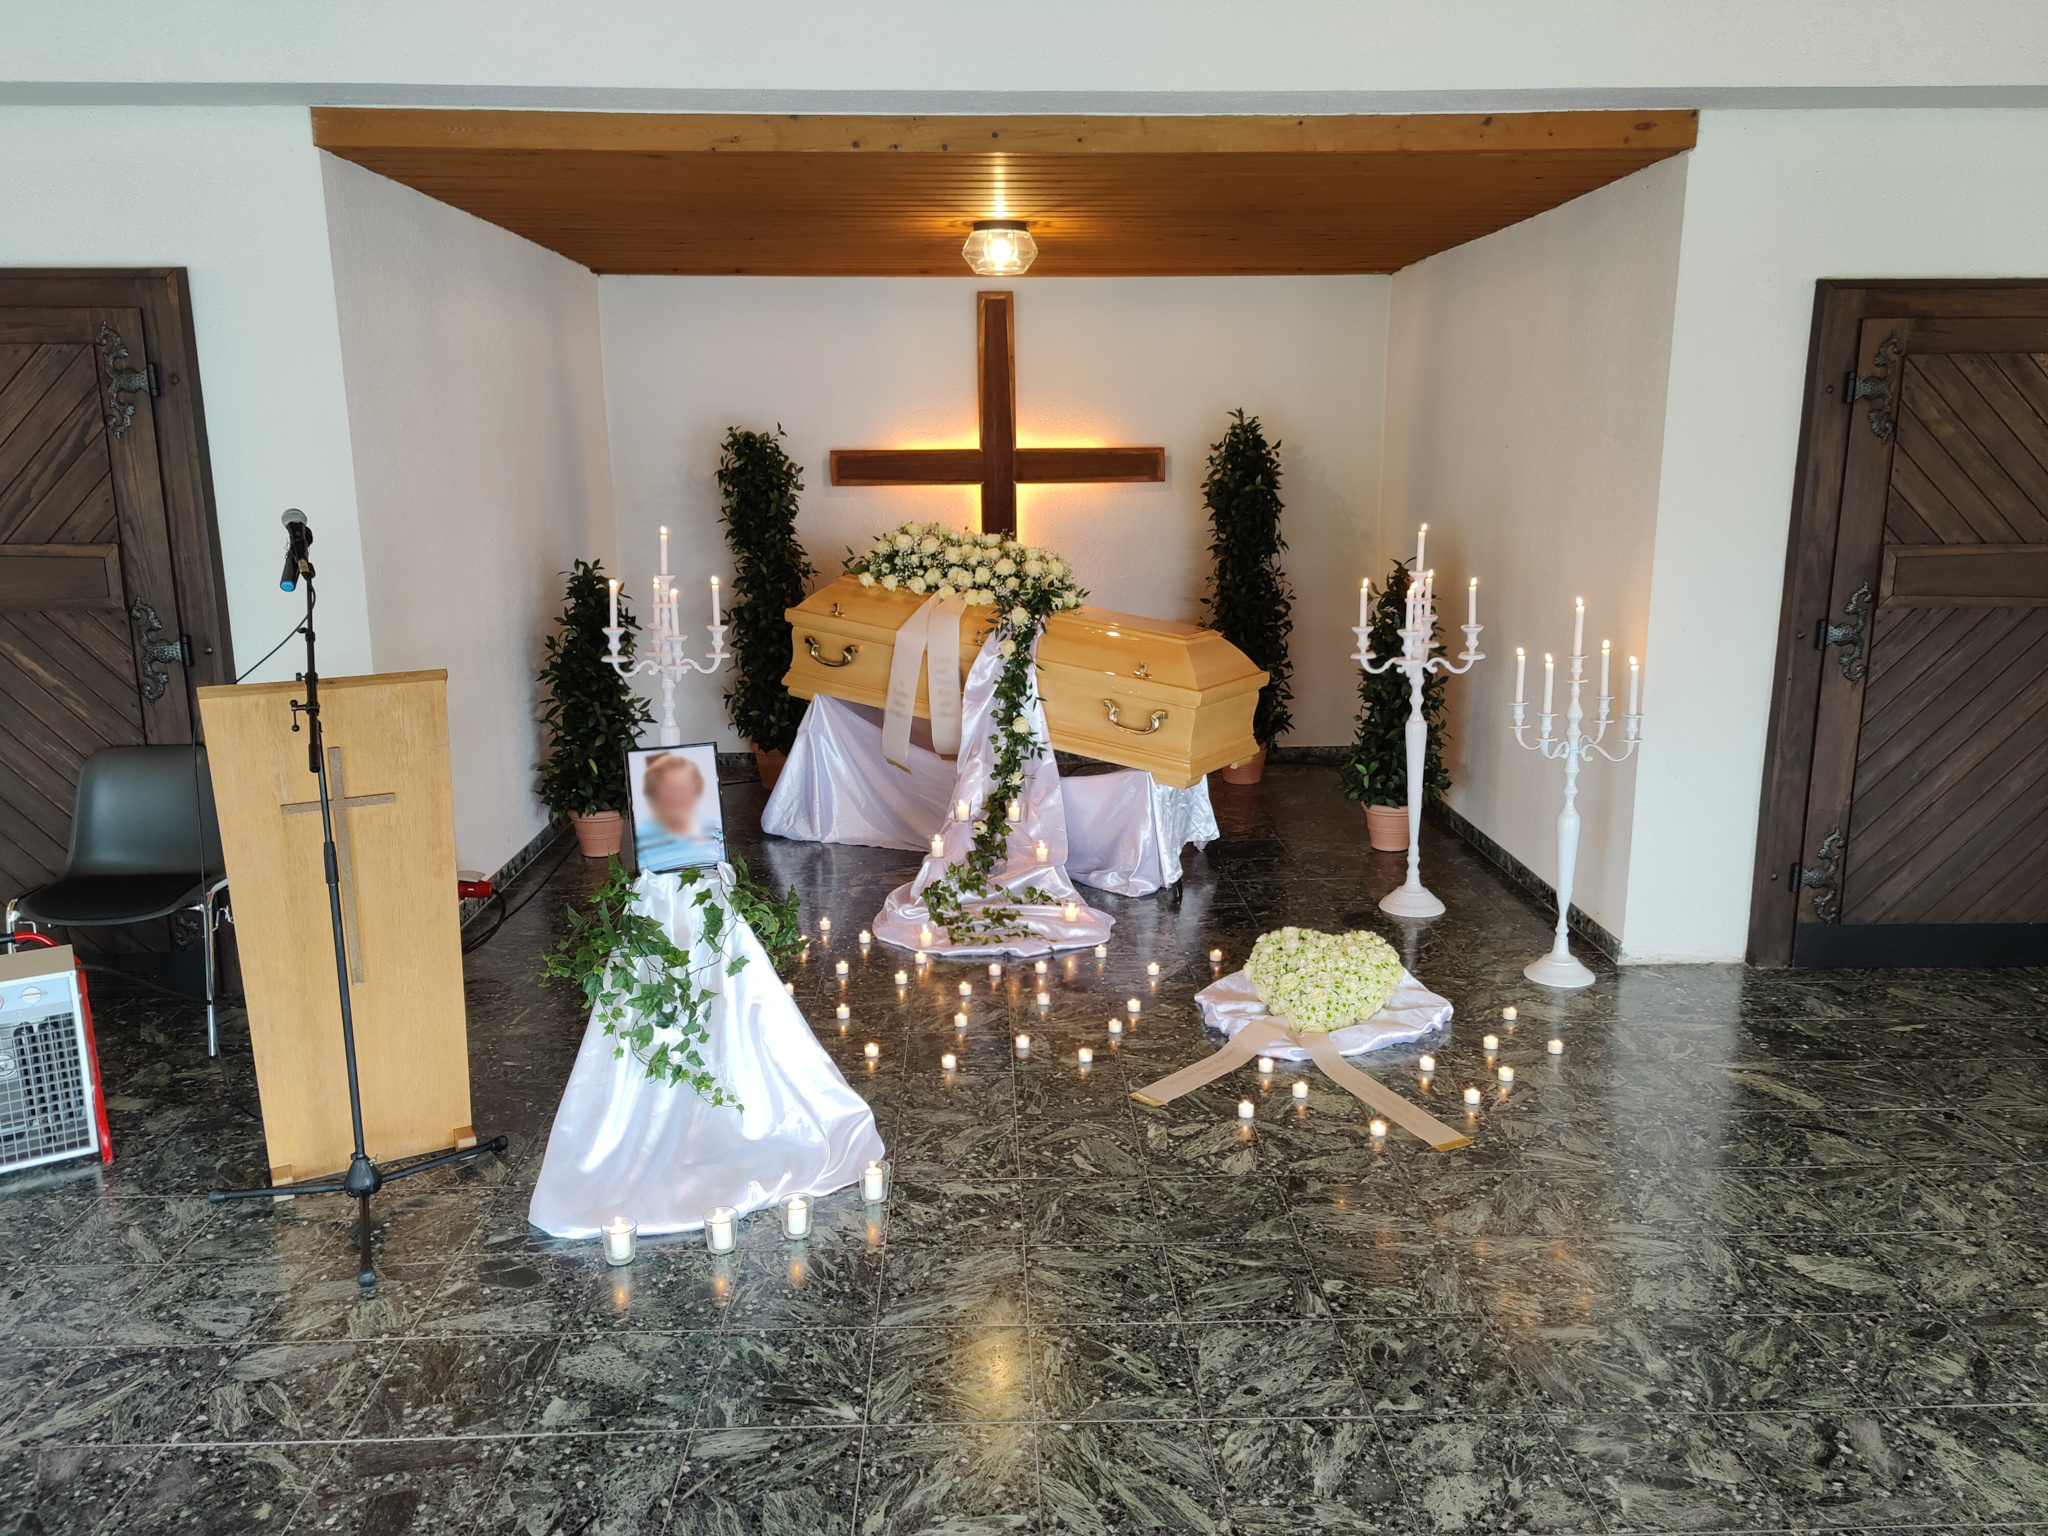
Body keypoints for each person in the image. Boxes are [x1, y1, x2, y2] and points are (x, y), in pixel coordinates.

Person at [634, 749, 723, 871]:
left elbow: (724, 871)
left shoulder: (715, 828)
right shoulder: (642, 838)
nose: (677, 796)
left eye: (684, 788)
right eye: (669, 788)